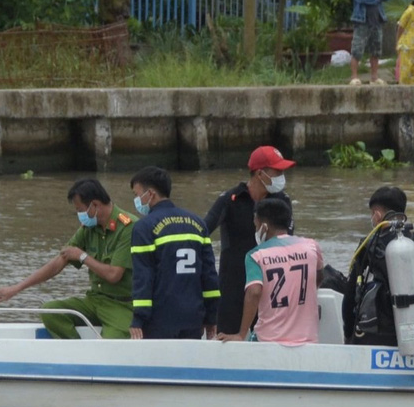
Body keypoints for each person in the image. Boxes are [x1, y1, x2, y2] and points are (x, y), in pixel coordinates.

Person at [0, 178, 136, 338]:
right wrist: (17, 288)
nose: (79, 215)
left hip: (121, 304)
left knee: (113, 343)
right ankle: (77, 356)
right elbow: (59, 261)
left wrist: (82, 256)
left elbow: (114, 275)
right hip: (95, 299)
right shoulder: (89, 227)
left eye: (80, 210)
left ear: (94, 205)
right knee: (50, 311)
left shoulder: (128, 227)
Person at [201, 145, 295, 337]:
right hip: (233, 287)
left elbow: (288, 241)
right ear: (260, 173)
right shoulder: (230, 199)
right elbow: (202, 232)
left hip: (272, 286)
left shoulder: (282, 201)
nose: (282, 175)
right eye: (277, 171)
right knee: (227, 343)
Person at [346, 185, 414, 346]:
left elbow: (351, 297)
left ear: (377, 214)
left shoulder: (368, 246)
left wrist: (349, 336)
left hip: (376, 339)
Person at [127, 166, 220, 339]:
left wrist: (138, 318)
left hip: (160, 319)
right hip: (194, 317)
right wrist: (211, 316)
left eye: (137, 194)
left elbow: (143, 277)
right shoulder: (198, 223)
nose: (137, 200)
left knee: (158, 365)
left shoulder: (144, 228)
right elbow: (209, 276)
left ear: (150, 194)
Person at [223, 195, 324, 345]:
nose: (256, 229)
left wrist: (241, 334)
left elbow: (254, 292)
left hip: (268, 340)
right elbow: (319, 276)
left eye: (256, 225)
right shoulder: (311, 247)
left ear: (264, 226)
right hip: (307, 339)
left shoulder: (256, 255)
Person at [348, 0, 392, 86]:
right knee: (357, 49)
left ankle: (374, 77)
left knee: (376, 50)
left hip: (377, 21)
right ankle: (354, 77)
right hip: (362, 21)